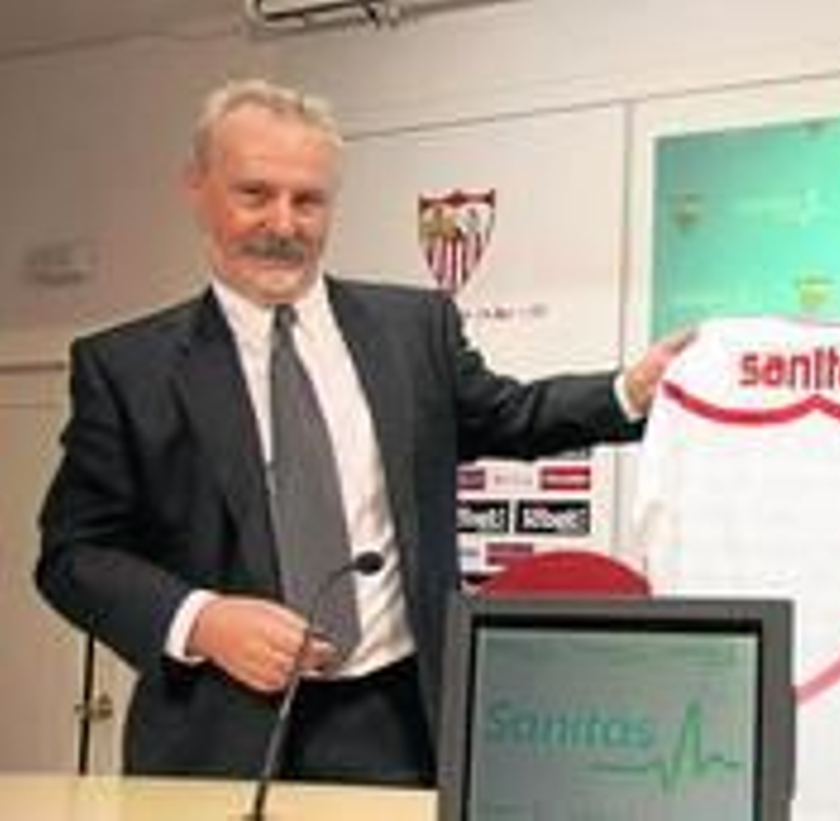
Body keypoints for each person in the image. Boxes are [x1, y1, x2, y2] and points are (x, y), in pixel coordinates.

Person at [34, 78, 689, 786]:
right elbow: (73, 555)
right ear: (198, 188)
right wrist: (202, 620)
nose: (284, 223)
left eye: (308, 199)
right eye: (255, 193)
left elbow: (509, 414)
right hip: (215, 730)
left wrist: (630, 389)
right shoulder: (128, 367)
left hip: (403, 723)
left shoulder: (413, 329)